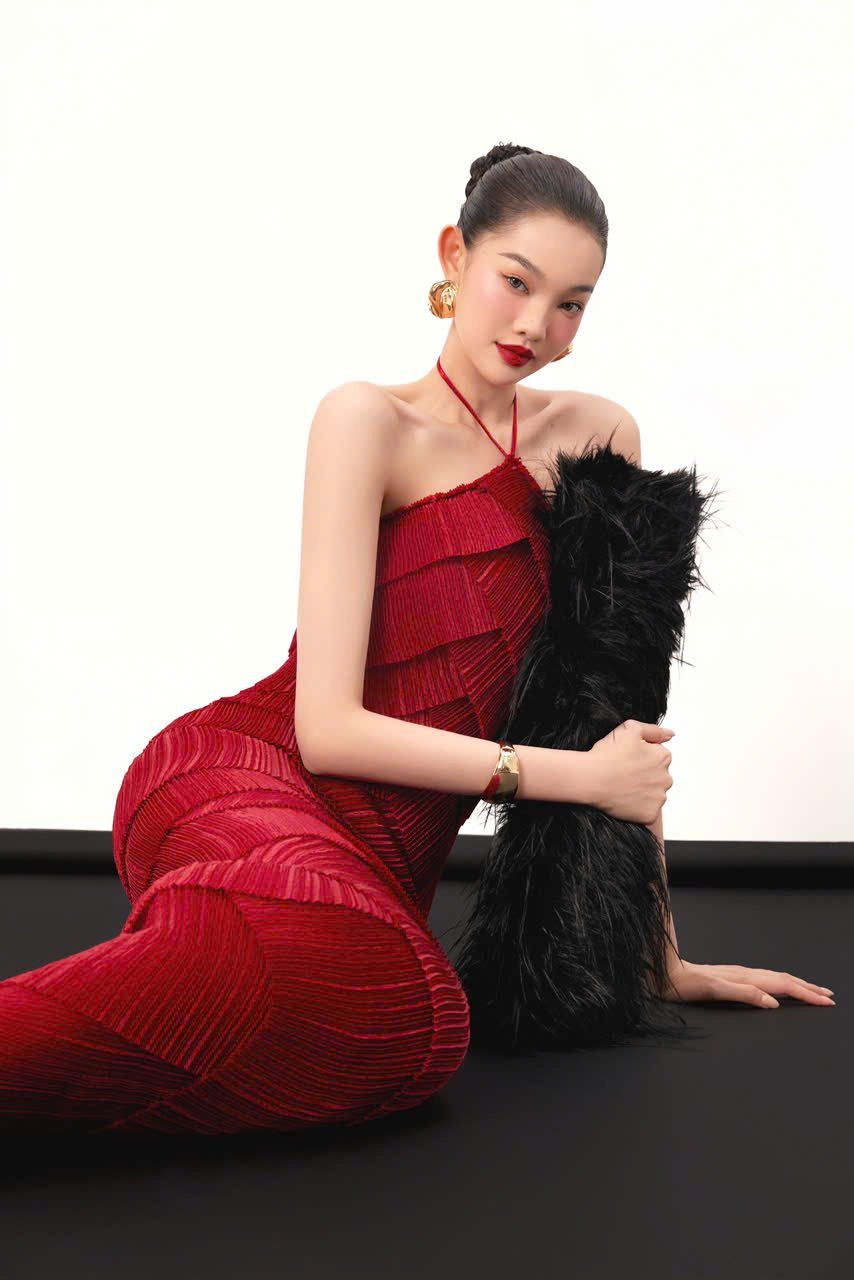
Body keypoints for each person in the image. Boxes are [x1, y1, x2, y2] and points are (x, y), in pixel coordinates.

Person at [0, 143, 834, 1137]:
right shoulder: (368, 421)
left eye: (570, 303)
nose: (535, 325)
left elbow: (619, 721)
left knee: (409, 1023)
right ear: (453, 255)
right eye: (515, 281)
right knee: (327, 968)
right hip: (243, 774)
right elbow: (327, 731)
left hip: (373, 871)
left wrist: (654, 952)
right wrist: (574, 778)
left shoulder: (598, 437)